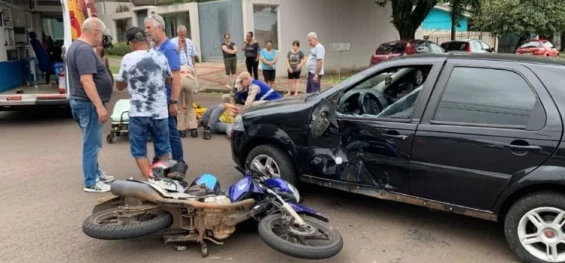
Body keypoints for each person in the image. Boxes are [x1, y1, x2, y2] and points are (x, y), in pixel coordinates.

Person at [115, 27, 172, 179]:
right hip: (159, 111)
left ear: (131, 43)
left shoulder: (127, 58)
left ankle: (150, 179)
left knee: (139, 150)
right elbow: (168, 79)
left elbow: (119, 85)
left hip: (139, 112)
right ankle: (160, 178)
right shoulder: (161, 56)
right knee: (162, 150)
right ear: (146, 40)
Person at [66, 17, 114, 193]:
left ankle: (96, 173)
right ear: (96, 32)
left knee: (91, 141)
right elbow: (86, 81)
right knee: (92, 144)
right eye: (101, 34)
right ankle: (91, 182)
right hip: (87, 104)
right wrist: (99, 106)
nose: (101, 39)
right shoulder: (84, 50)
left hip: (81, 102)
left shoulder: (76, 47)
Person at [144, 14, 185, 164]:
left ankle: (178, 163)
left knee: (171, 132)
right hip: (157, 101)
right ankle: (162, 162)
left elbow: (176, 78)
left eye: (149, 27)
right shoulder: (155, 48)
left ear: (159, 28)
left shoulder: (169, 49)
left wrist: (173, 102)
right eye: (146, 27)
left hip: (167, 99)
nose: (146, 31)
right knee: (160, 133)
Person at [171, 25, 199, 138]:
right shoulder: (172, 42)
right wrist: (179, 47)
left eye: (184, 34)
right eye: (181, 34)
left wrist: (194, 70)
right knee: (179, 104)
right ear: (178, 33)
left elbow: (193, 58)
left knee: (189, 104)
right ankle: (181, 129)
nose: (183, 36)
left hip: (188, 71)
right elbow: (172, 56)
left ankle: (193, 128)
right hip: (178, 71)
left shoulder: (189, 42)